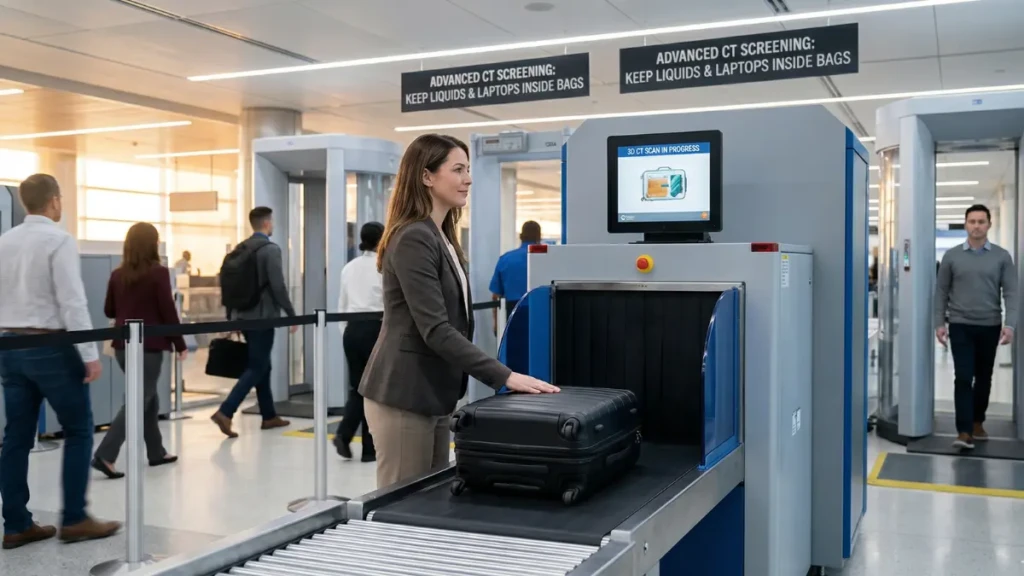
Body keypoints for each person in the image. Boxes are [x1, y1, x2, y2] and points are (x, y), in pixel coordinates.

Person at [359, 133, 560, 490]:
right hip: (405, 393)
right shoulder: (414, 237)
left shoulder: (442, 236)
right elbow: (435, 328)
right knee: (403, 508)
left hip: (434, 391)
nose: (468, 178)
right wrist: (503, 376)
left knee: (430, 499)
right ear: (426, 176)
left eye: (468, 169)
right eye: (458, 169)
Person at [0, 174, 121, 549]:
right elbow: (72, 300)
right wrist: (89, 355)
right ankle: (75, 518)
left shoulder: (4, 242)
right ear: (53, 201)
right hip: (50, 345)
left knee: (16, 437)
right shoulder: (58, 239)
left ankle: (17, 524)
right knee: (80, 429)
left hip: (8, 345)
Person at [92, 222, 187, 479]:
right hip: (150, 347)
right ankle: (105, 454)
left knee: (148, 398)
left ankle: (156, 452)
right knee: (138, 400)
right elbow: (168, 311)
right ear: (152, 245)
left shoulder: (117, 274)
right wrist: (180, 343)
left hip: (124, 346)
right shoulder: (158, 273)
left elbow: (109, 311)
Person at [935, 204, 1018, 449]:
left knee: (983, 378)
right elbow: (940, 292)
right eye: (972, 221)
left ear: (989, 225)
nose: (976, 226)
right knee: (962, 377)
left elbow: (1012, 293)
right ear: (965, 224)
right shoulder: (951, 256)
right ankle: (963, 431)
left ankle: (977, 421)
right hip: (960, 324)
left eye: (981, 221)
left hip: (990, 325)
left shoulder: (1002, 257)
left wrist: (1010, 325)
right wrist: (939, 322)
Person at [211, 207, 296, 438]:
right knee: (257, 366)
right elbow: (278, 285)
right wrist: (291, 313)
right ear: (267, 224)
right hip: (262, 317)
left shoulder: (241, 249)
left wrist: (232, 316)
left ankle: (268, 416)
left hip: (242, 315)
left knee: (262, 364)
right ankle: (225, 411)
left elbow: (229, 285)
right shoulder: (270, 250)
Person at [334, 222, 385, 463]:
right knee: (373, 390)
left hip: (352, 330)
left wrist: (347, 331)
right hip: (375, 329)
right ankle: (368, 448)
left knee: (358, 388)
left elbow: (342, 304)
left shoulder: (349, 267)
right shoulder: (383, 267)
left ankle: (345, 435)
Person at [489, 221, 542, 374]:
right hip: (541, 313)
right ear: (539, 237)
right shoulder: (545, 258)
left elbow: (496, 295)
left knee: (514, 360)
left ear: (521, 236)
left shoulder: (506, 259)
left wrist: (495, 323)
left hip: (513, 314)